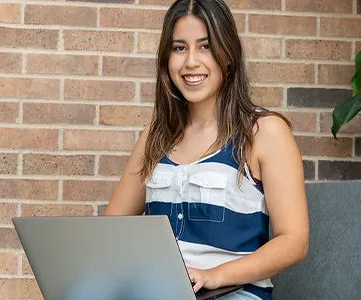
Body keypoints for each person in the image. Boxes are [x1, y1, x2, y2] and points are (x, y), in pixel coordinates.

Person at [104, 0, 309, 299]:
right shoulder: (156, 135)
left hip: (234, 293)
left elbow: (294, 240)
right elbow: (113, 228)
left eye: (205, 46)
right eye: (179, 48)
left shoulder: (265, 133)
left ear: (227, 54)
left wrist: (214, 276)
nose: (191, 62)